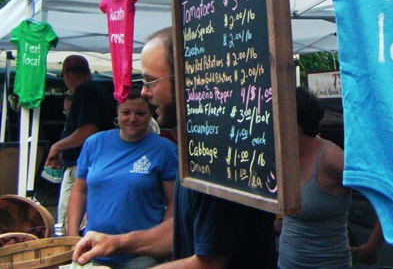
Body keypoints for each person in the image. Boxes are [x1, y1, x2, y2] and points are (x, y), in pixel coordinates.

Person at [73, 27, 277, 268]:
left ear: (186, 78)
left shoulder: (221, 152)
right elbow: (182, 233)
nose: (145, 92)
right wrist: (116, 242)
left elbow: (208, 263)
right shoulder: (195, 147)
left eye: (150, 81)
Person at [66, 88, 177, 269]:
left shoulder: (165, 150)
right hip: (92, 251)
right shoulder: (95, 143)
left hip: (139, 254)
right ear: (117, 113)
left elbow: (174, 202)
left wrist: (161, 240)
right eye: (126, 112)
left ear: (151, 114)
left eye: (140, 113)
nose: (132, 118)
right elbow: (79, 191)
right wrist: (72, 237)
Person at [277, 86, 384, 269]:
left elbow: (386, 194)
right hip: (285, 264)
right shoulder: (284, 156)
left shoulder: (332, 159)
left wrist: (373, 246)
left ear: (295, 124)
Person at [46, 55, 115, 235]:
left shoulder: (84, 91)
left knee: (70, 224)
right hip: (99, 164)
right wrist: (65, 154)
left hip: (83, 168)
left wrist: (57, 146)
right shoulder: (101, 91)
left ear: (67, 74)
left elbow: (88, 130)